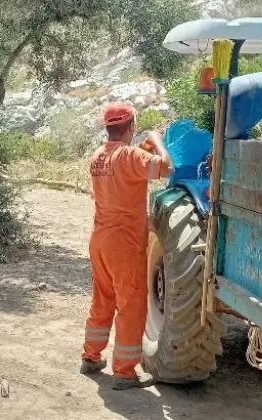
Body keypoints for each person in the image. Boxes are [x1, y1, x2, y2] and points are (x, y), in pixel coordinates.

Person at [80, 103, 173, 390]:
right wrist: (156, 140)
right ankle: (124, 373)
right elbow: (166, 167)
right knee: (131, 306)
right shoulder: (132, 155)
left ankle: (91, 357)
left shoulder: (98, 156)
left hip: (100, 241)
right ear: (130, 127)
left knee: (102, 300)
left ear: (107, 127)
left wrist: (141, 148)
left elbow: (122, 171)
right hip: (125, 245)